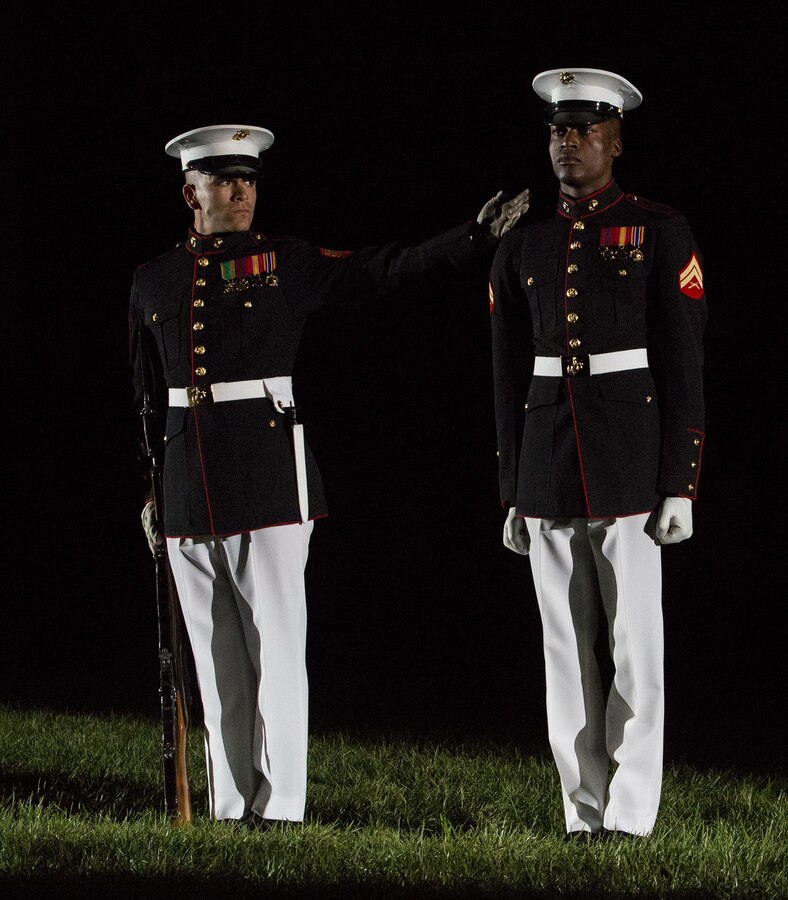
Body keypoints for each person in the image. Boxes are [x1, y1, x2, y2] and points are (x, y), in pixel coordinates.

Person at [129, 123, 528, 825]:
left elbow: (381, 269)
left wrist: (470, 237)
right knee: (216, 660)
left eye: (248, 179)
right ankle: (229, 805)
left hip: (269, 477)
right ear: (190, 192)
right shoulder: (154, 278)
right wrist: (152, 486)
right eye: (225, 181)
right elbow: (143, 392)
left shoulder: (286, 260)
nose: (241, 191)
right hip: (189, 481)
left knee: (276, 649)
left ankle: (280, 806)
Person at [489, 69, 707, 839]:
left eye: (583, 130)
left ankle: (631, 812)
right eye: (557, 130)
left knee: (633, 650)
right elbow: (507, 371)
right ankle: (581, 813)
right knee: (563, 654)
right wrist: (513, 484)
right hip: (547, 462)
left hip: (629, 463)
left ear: (615, 139)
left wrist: (680, 480)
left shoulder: (658, 228)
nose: (568, 143)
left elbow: (683, 362)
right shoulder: (523, 242)